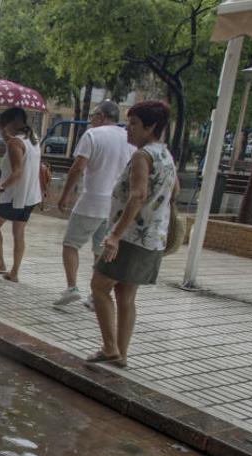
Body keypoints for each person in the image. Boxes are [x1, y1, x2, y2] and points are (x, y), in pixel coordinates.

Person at [87, 101, 179, 368]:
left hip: (129, 237)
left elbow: (137, 195)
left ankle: (109, 348)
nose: (129, 128)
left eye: (135, 123)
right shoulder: (165, 154)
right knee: (126, 296)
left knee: (99, 287)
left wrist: (114, 235)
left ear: (151, 127)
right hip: (152, 238)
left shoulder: (143, 156)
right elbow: (173, 192)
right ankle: (121, 354)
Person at [54, 101, 135, 307]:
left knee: (71, 244)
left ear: (100, 116)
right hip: (114, 206)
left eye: (92, 116)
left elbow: (78, 167)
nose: (91, 121)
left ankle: (72, 287)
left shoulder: (93, 135)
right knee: (101, 249)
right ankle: (96, 294)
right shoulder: (130, 139)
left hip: (91, 200)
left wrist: (65, 195)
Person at [0, 107, 42, 282]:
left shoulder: (15, 143)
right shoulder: (33, 139)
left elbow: (17, 171)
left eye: (4, 124)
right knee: (19, 233)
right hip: (30, 196)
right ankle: (14, 271)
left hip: (13, 196)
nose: (3, 128)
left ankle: (0, 262)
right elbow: (19, 153)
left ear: (11, 123)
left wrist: (0, 187)